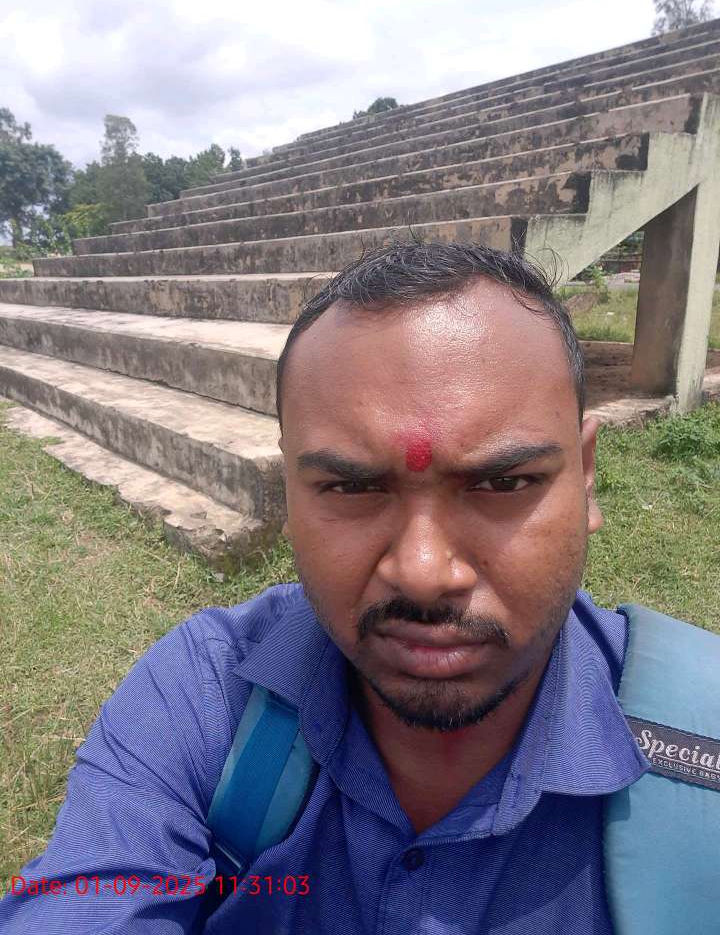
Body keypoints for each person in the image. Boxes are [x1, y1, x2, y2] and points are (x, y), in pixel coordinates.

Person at [1, 242, 657, 933]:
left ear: (586, 477)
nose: (423, 572)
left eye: (503, 482)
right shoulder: (209, 695)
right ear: (288, 491)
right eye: (349, 487)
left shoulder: (701, 753)